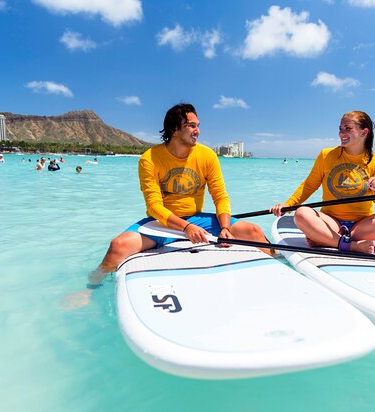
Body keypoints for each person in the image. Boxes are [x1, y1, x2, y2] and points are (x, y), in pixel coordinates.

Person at [88, 103, 271, 286]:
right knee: (118, 246)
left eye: (198, 126)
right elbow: (154, 206)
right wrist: (185, 228)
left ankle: (276, 270)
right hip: (162, 223)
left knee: (254, 232)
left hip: (198, 220)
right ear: (175, 129)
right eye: (191, 126)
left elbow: (220, 196)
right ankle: (91, 287)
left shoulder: (207, 156)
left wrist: (225, 228)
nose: (197, 131)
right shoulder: (149, 159)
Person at [270, 110, 375, 255]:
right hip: (331, 222)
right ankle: (349, 245)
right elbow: (309, 185)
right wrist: (289, 205)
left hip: (361, 225)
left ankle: (326, 239)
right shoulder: (327, 155)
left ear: (364, 132)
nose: (342, 133)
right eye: (340, 128)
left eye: (348, 128)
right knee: (301, 214)